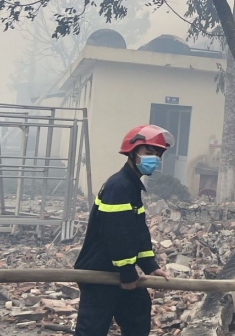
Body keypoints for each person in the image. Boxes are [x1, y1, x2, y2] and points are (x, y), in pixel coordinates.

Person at [74, 125, 173, 336]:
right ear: (132, 152)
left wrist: (150, 266)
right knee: (92, 330)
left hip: (117, 271)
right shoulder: (119, 186)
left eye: (157, 155)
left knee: (138, 312)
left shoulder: (131, 186)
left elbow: (138, 232)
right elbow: (116, 234)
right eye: (148, 152)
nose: (154, 159)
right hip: (99, 273)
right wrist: (128, 272)